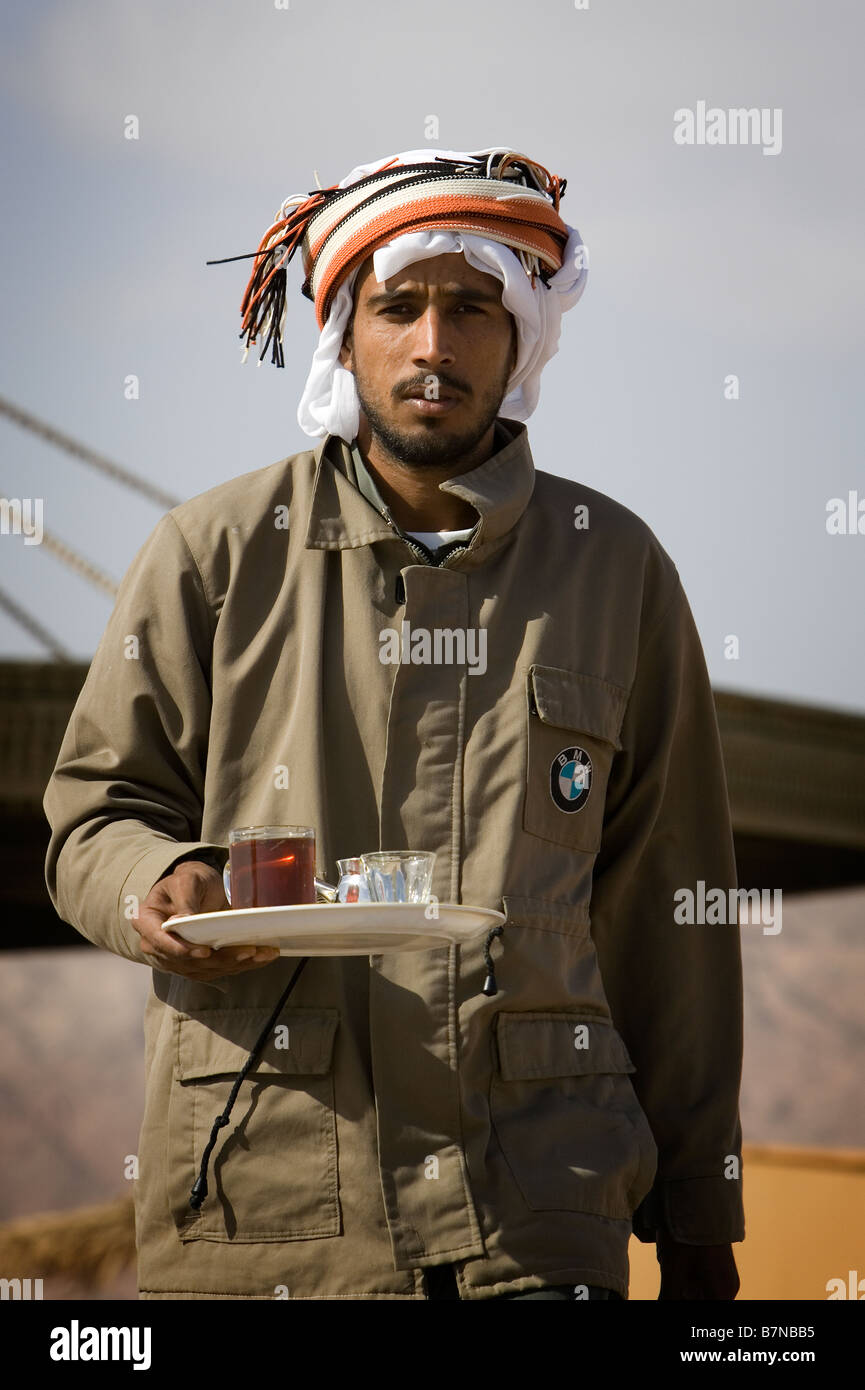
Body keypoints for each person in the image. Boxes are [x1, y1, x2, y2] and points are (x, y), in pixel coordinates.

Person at [43, 146, 744, 1301]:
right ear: (342, 334)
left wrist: (699, 1226)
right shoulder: (213, 553)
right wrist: (155, 881)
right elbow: (93, 814)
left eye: (472, 309)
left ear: (520, 337)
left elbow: (671, 913)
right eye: (399, 307)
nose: (433, 345)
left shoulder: (615, 571)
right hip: (267, 1220)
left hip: (540, 1224)